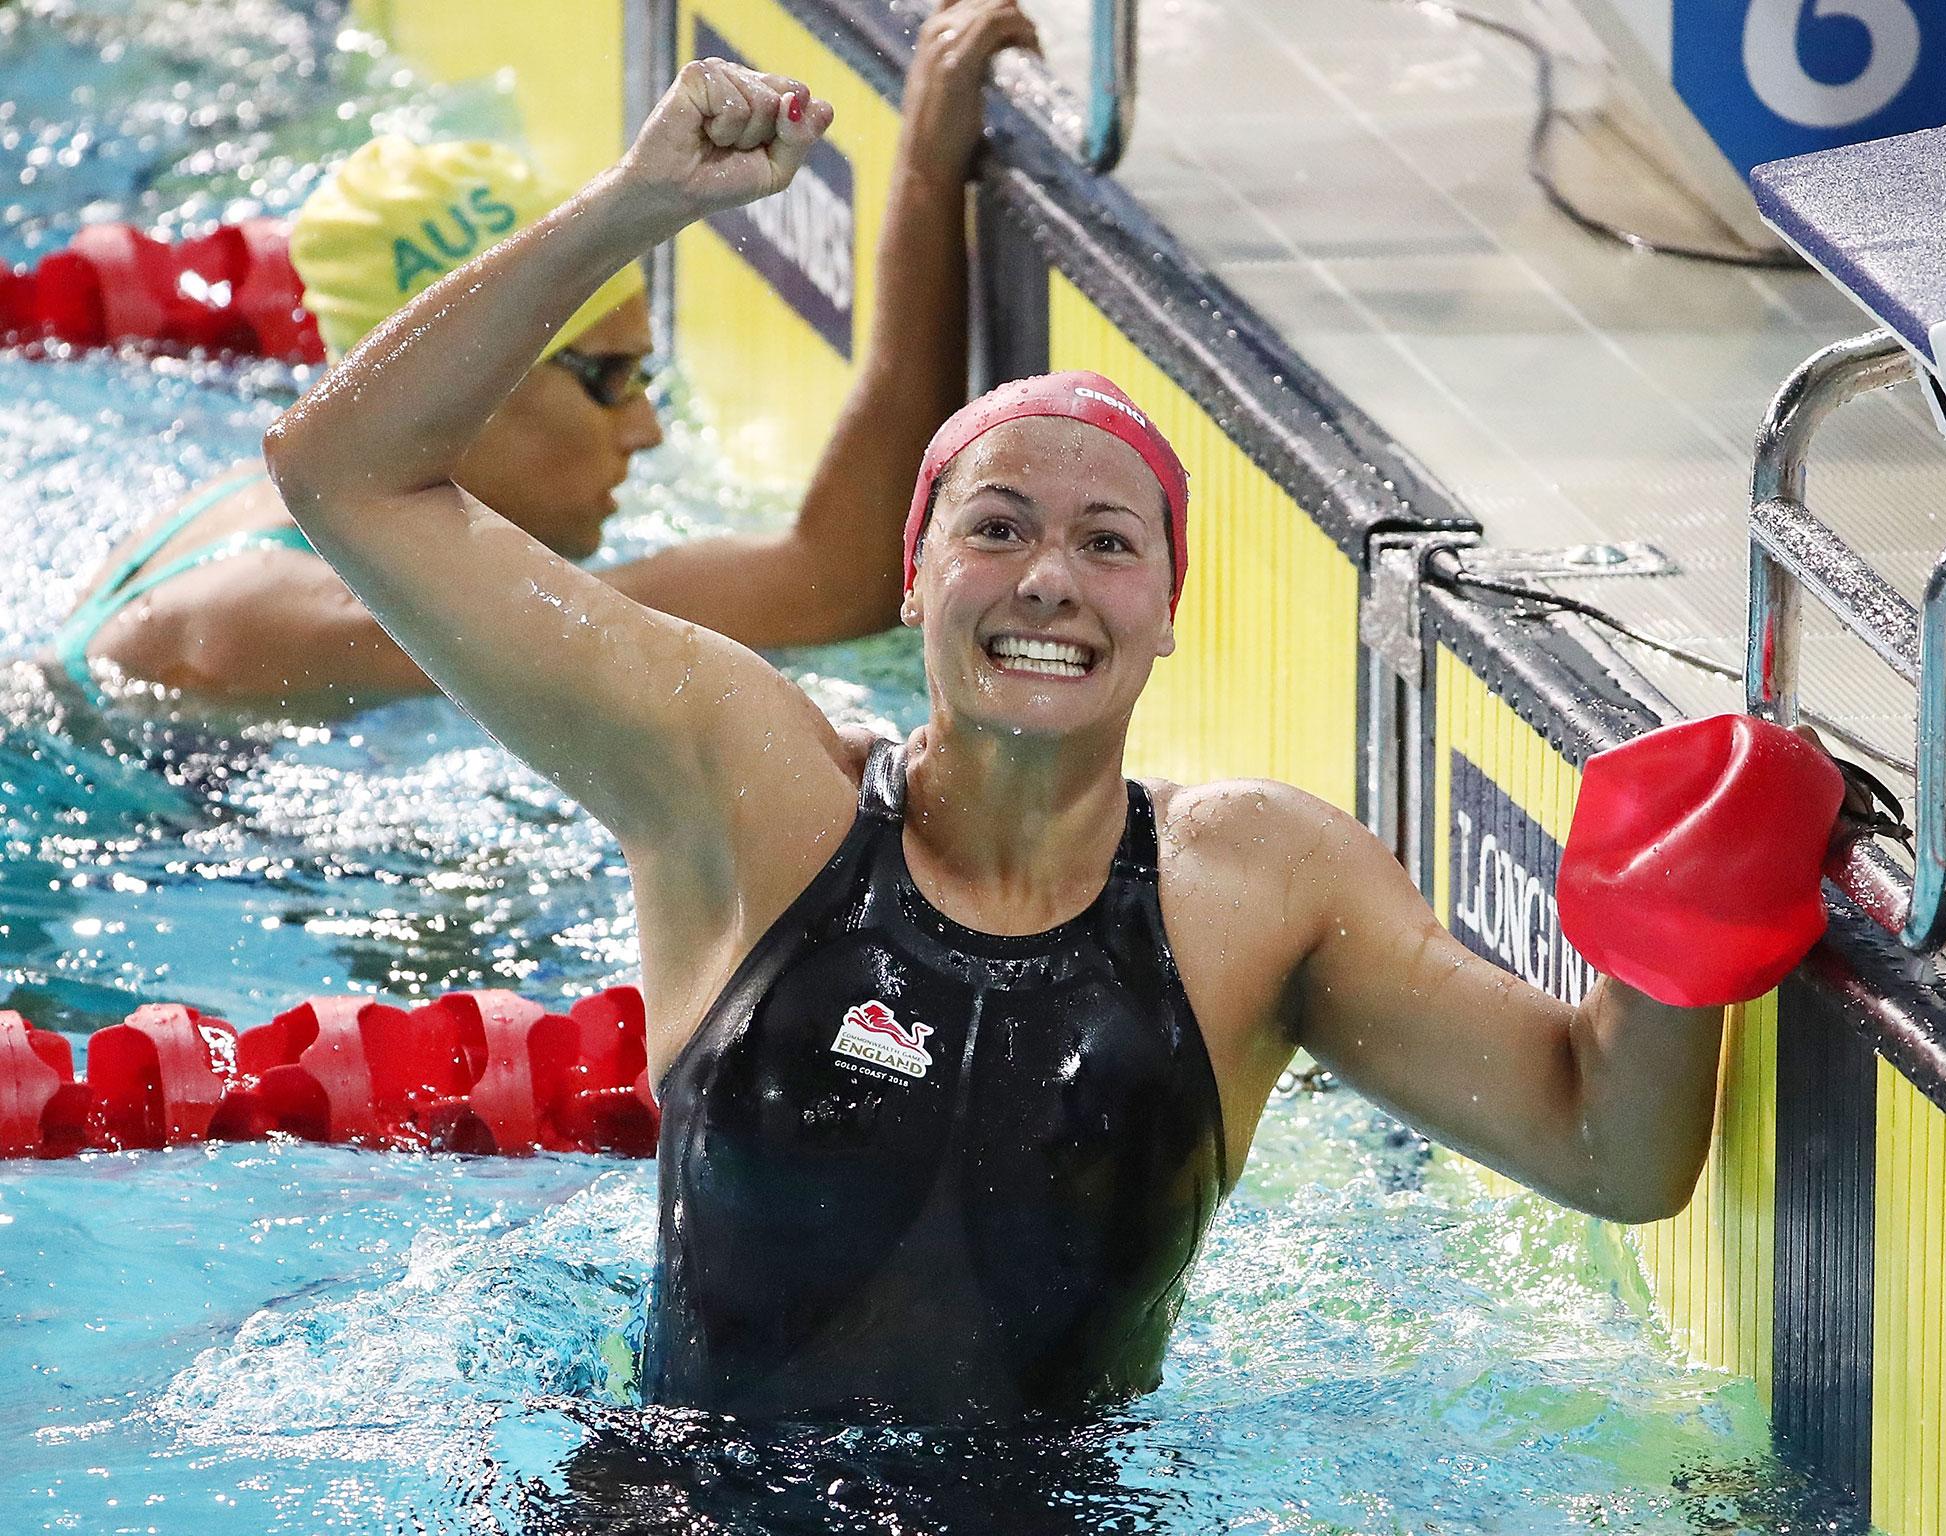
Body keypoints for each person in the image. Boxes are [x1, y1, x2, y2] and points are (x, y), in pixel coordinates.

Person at [263, 56, 1772, 1425]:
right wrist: (636, 204)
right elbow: (348, 475)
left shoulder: (1260, 885)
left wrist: (1672, 934)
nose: (1050, 576)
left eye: (1108, 543)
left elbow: (1601, 1150)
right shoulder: (745, 782)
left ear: (1170, 610)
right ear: (912, 576)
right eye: (999, 529)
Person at [46, 0, 1038, 716]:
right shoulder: (277, 614)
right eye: (604, 381)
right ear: (464, 393)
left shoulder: (288, 517)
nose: (646, 430)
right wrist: (923, 170)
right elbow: (835, 583)